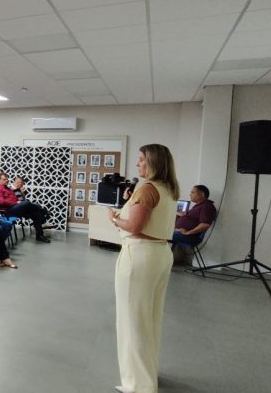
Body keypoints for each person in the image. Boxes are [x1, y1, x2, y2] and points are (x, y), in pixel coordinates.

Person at [108, 144, 179, 393]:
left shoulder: (147, 188)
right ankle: (147, 374)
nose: (137, 164)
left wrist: (115, 218)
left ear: (153, 162)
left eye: (141, 159)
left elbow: (134, 226)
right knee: (149, 317)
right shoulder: (168, 189)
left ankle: (138, 384)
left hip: (139, 255)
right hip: (160, 254)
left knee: (132, 320)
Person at [0, 173, 52, 243]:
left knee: (36, 214)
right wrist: (16, 203)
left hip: (16, 208)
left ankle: (40, 236)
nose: (6, 180)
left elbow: (16, 198)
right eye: (4, 179)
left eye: (7, 179)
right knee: (26, 203)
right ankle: (44, 212)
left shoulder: (8, 189)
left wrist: (18, 201)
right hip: (9, 211)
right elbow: (1, 202)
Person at [172, 184, 217, 265]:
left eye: (193, 192)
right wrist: (183, 215)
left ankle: (161, 262)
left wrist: (188, 232)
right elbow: (193, 219)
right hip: (181, 232)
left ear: (202, 194)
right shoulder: (199, 206)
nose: (190, 194)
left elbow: (205, 225)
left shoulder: (207, 206)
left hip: (191, 237)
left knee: (161, 234)